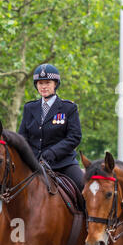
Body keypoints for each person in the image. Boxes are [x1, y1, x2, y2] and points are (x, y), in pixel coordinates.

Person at [18, 64, 84, 192]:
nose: (43, 86)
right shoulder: (29, 108)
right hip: (34, 164)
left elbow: (74, 137)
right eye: (40, 83)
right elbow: (22, 137)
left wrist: (52, 153)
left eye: (47, 82)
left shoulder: (68, 108)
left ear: (55, 84)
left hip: (63, 164)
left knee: (84, 188)